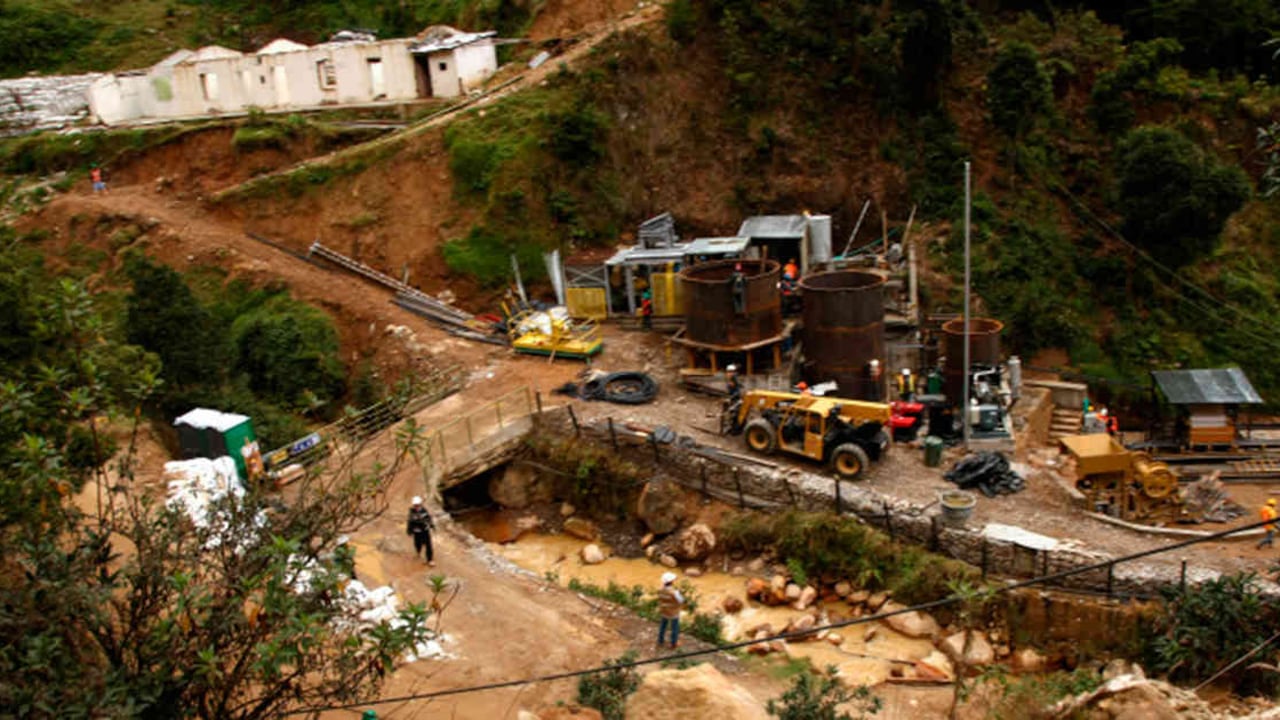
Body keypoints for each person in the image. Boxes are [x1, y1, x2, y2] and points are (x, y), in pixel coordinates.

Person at [656, 571, 684, 649]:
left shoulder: (660, 590)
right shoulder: (674, 592)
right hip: (673, 612)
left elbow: (660, 599)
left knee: (663, 626)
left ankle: (660, 641)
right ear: (671, 582)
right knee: (674, 628)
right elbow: (681, 600)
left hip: (664, 611)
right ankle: (673, 643)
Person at [407, 496, 435, 565]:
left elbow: (429, 519)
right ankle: (418, 551)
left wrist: (432, 525)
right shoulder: (411, 512)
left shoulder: (424, 511)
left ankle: (430, 560)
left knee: (428, 545)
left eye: (418, 505)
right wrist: (409, 530)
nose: (417, 507)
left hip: (425, 531)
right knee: (417, 544)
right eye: (415, 505)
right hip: (417, 532)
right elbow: (410, 522)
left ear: (420, 504)